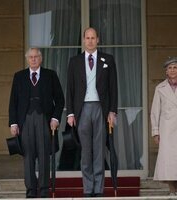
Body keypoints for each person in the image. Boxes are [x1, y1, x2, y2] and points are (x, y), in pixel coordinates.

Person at [66, 27, 118, 197]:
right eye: (87, 38)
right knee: (86, 151)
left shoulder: (108, 59)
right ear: (83, 40)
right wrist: (70, 113)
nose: (90, 41)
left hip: (100, 109)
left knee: (99, 150)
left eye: (93, 38)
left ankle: (99, 188)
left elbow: (113, 88)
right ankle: (88, 188)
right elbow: (70, 89)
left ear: (98, 40)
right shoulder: (74, 61)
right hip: (82, 110)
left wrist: (112, 111)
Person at [9, 47, 65, 198]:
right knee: (28, 157)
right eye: (31, 57)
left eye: (36, 57)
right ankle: (31, 191)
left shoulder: (50, 75)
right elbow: (13, 102)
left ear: (41, 59)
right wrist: (13, 123)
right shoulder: (19, 76)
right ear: (27, 59)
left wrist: (55, 118)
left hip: (44, 120)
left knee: (44, 155)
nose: (33, 59)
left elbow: (60, 99)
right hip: (25, 121)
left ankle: (44, 190)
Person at [151, 57, 177, 196]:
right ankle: (172, 191)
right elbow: (155, 112)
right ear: (166, 71)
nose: (172, 70)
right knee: (169, 163)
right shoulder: (160, 88)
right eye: (170, 68)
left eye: (175, 67)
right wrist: (155, 132)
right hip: (167, 130)